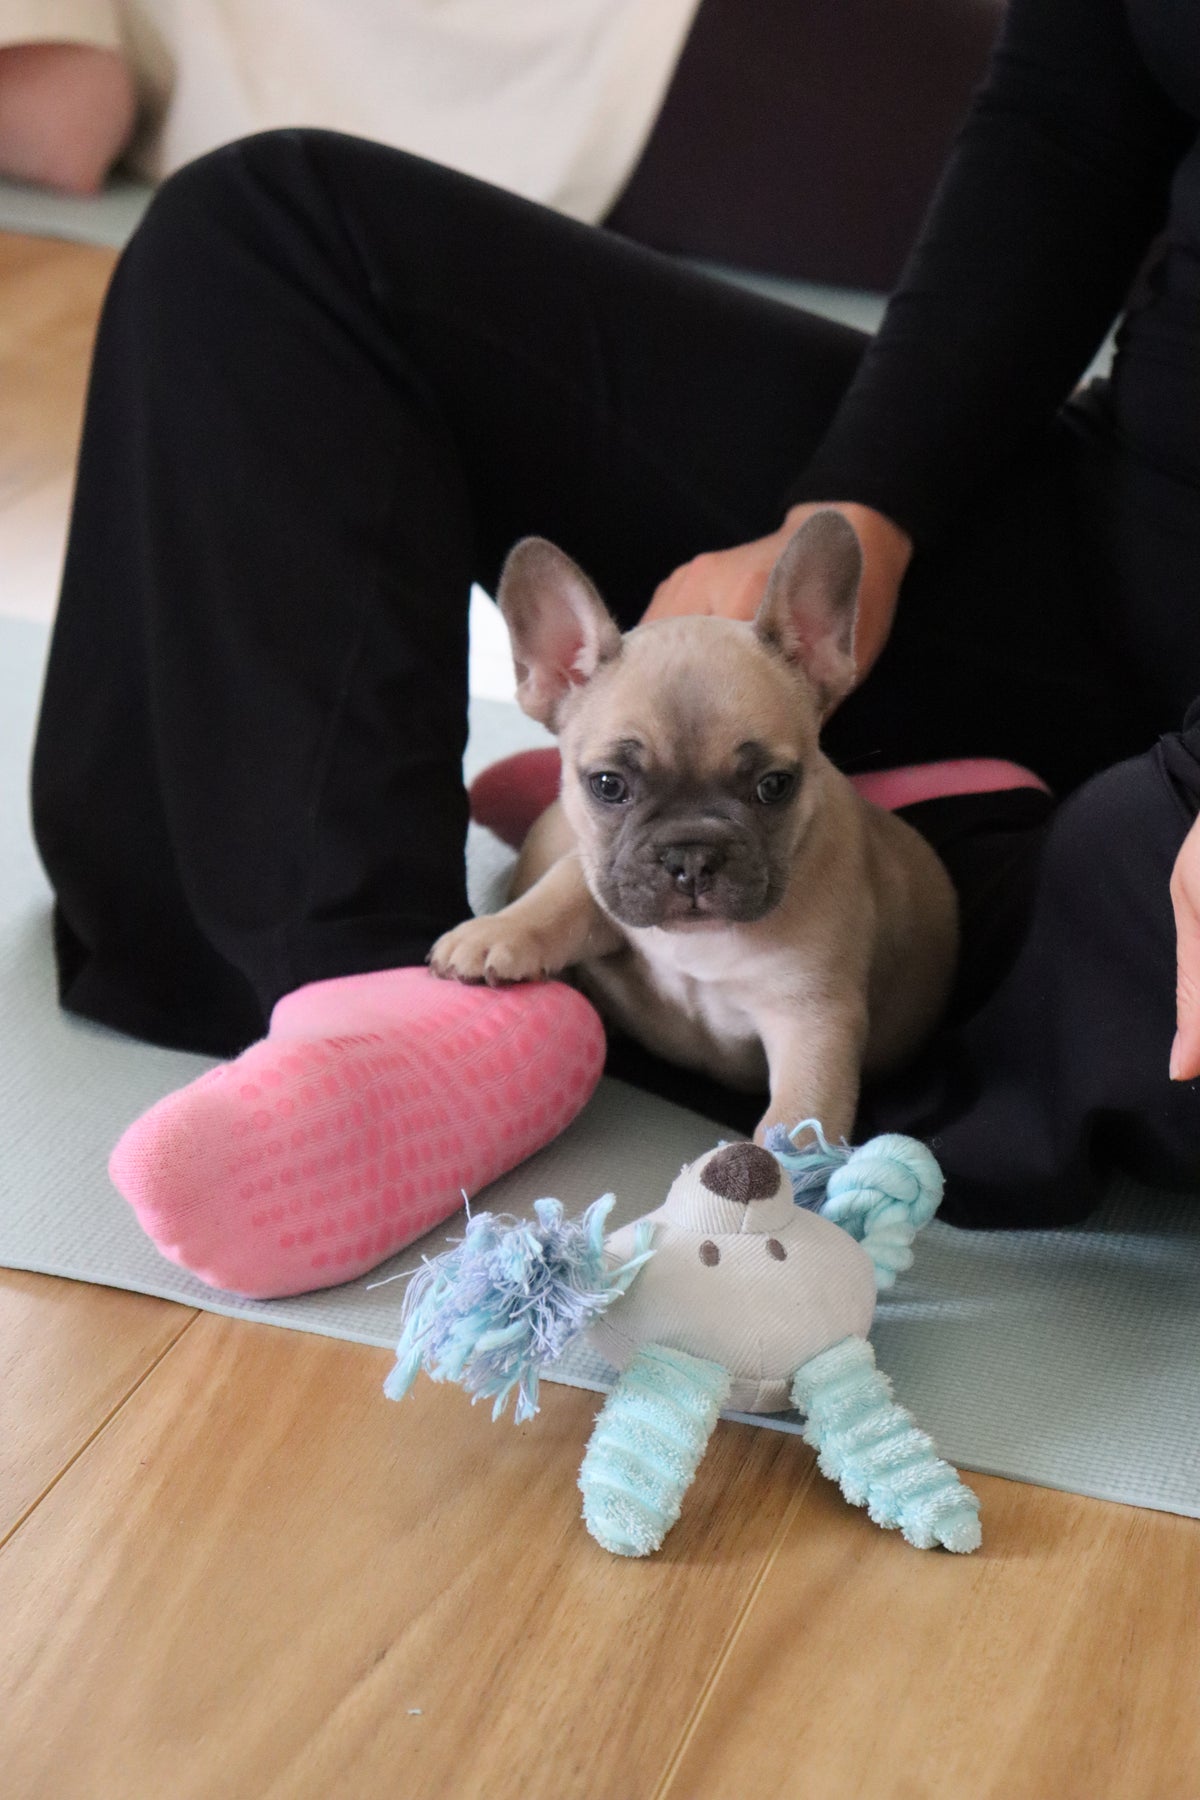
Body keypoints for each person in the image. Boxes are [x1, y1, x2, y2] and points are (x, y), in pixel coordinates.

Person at [31, 0, 1200, 1301]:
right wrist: (866, 503)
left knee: (1133, 921)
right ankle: (381, 1007)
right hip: (1109, 517)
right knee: (268, 231)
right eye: (613, 781)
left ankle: (760, 943)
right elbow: (1063, 129)